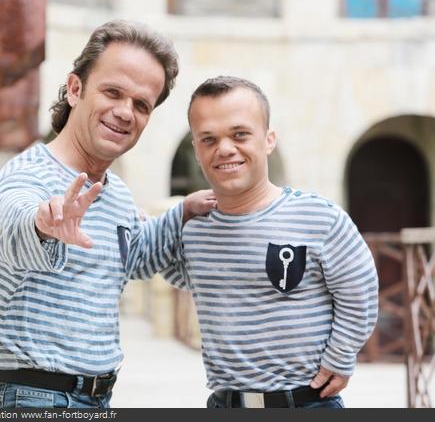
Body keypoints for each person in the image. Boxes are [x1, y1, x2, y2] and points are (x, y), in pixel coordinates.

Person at [0, 20, 216, 409]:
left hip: (90, 398)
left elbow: (136, 255)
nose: (125, 113)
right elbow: (11, 224)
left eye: (141, 104)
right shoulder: (28, 175)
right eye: (113, 92)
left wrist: (184, 212)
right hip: (26, 398)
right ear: (75, 89)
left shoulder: (115, 194)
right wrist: (43, 226)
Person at [162, 76, 378, 408]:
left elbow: (360, 290)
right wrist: (179, 213)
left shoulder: (320, 218)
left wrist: (341, 355)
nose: (225, 148)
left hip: (308, 402)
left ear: (268, 139)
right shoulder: (194, 230)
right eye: (208, 139)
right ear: (197, 149)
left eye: (240, 134)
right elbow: (151, 260)